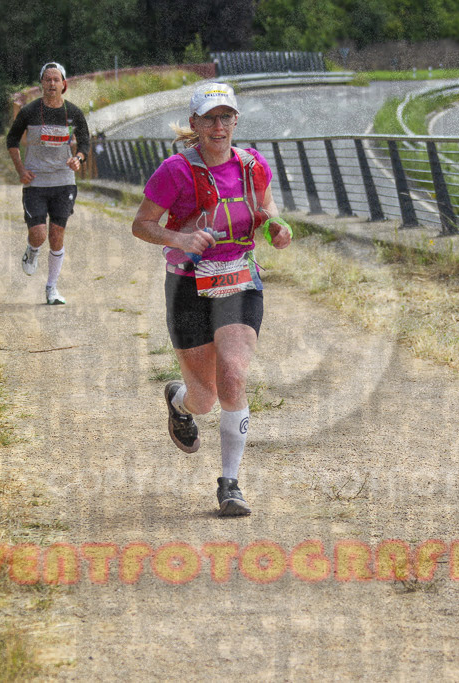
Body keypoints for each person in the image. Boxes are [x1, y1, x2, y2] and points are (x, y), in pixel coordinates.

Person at [130, 82, 292, 517]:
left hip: (240, 279)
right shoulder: (175, 171)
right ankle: (178, 400)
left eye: (226, 118)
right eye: (209, 119)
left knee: (233, 377)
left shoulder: (252, 165)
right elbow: (141, 224)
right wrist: (181, 238)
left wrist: (277, 228)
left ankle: (230, 485)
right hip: (188, 285)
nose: (218, 127)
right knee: (204, 399)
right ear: (195, 124)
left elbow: (267, 208)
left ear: (236, 120)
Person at [6, 61, 90, 305]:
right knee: (38, 234)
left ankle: (52, 288)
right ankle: (32, 250)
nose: (52, 84)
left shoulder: (73, 113)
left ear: (64, 84)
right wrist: (20, 169)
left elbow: (85, 142)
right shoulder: (29, 111)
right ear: (42, 83)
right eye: (48, 79)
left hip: (64, 181)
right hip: (36, 181)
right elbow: (12, 140)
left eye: (56, 79)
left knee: (56, 234)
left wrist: (78, 159)